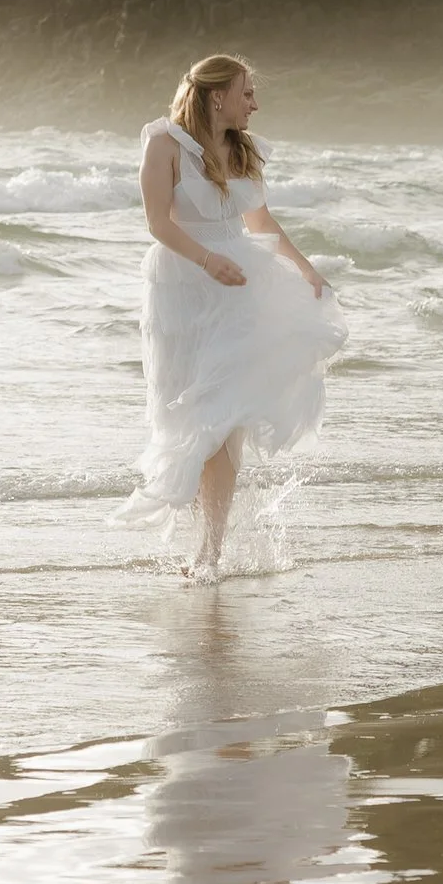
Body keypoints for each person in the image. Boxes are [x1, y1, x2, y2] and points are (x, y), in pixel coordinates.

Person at [133, 54, 346, 579]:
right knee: (192, 415)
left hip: (239, 287)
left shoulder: (242, 149)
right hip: (182, 288)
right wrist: (207, 259)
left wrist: (305, 270)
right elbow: (158, 222)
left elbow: (260, 219)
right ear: (215, 96)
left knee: (226, 416)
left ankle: (211, 551)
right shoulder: (164, 144)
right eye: (246, 93)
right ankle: (205, 542)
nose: (255, 103)